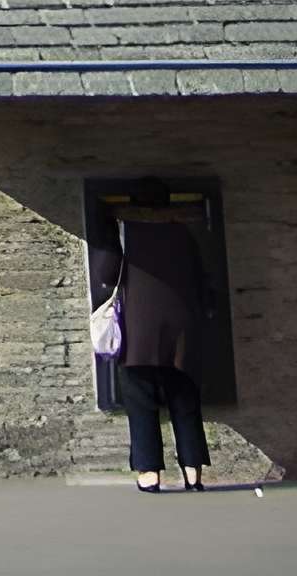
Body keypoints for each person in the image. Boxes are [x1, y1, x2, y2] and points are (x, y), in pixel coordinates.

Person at [89, 199, 213, 492]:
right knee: (185, 404)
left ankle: (149, 474)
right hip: (181, 332)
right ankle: (193, 473)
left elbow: (107, 274)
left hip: (138, 334)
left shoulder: (124, 232)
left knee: (142, 405)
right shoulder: (184, 233)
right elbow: (201, 279)